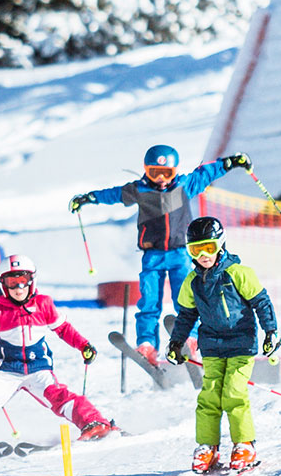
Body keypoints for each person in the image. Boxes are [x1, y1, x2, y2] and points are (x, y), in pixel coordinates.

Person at [70, 145, 251, 363]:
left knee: (187, 298)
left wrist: (230, 163)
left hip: (181, 254)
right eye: (155, 172)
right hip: (152, 255)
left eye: (168, 173)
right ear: (147, 170)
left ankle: (191, 340)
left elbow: (207, 173)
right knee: (149, 301)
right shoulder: (139, 190)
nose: (162, 179)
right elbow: (113, 194)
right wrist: (89, 198)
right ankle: (147, 344)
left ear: (175, 171)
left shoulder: (185, 186)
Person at [0, 255, 119, 440]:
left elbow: (63, 328)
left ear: (32, 281)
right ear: (2, 284)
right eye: (11, 282)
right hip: (8, 371)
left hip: (39, 369)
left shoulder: (43, 304)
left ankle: (94, 424)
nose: (18, 288)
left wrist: (83, 345)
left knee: (61, 397)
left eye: (23, 281)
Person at [167, 217, 279, 474]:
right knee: (209, 396)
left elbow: (261, 302)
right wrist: (176, 341)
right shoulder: (192, 281)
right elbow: (186, 315)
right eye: (196, 249)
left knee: (233, 393)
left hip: (241, 343)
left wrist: (271, 332)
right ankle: (208, 447)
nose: (204, 255)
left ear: (220, 244)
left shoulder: (238, 273)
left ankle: (245, 445)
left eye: (208, 247)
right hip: (212, 346)